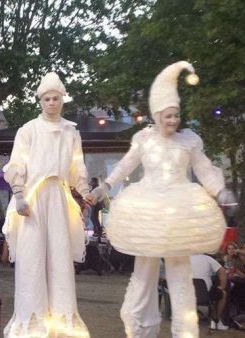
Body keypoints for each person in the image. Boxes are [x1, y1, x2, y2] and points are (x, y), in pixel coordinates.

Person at [87, 61, 237, 338]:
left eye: (176, 115)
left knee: (180, 274)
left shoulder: (188, 141)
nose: (172, 120)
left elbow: (204, 169)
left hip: (180, 210)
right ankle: (140, 328)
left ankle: (185, 330)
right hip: (150, 211)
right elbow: (125, 166)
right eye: (167, 115)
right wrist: (105, 185)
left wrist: (220, 191)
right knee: (144, 271)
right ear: (157, 115)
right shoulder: (144, 140)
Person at [1, 72, 91, 337]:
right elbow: (17, 163)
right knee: (31, 260)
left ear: (62, 100)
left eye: (56, 98)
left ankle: (62, 324)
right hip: (32, 200)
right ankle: (31, 324)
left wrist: (85, 191)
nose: (51, 102)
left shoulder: (71, 132)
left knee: (60, 259)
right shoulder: (28, 130)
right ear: (40, 101)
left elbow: (76, 166)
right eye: (47, 98)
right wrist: (18, 195)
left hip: (60, 200)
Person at [190, 254, 228, 330]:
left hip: (188, 294)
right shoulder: (207, 258)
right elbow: (223, 271)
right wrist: (221, 287)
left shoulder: (186, 258)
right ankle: (215, 320)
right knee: (222, 294)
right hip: (205, 295)